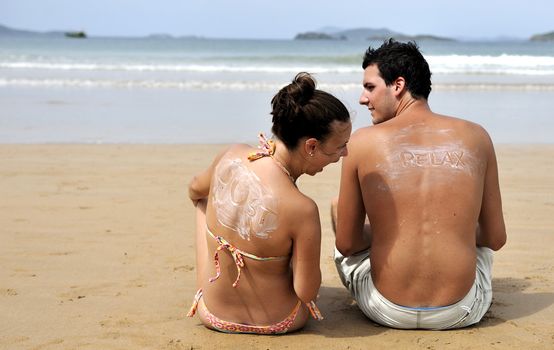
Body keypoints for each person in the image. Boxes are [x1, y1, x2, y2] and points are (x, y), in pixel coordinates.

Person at [331, 39, 506, 330]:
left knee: (339, 210)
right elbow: (495, 239)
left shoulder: (361, 141)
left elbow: (347, 244)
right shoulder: (477, 136)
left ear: (398, 85)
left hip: (386, 309)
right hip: (460, 310)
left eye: (370, 87)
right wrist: (452, 229)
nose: (362, 99)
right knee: (480, 244)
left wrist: (392, 233)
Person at [187, 72, 351, 334]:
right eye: (340, 146)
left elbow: (194, 189)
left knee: (203, 203)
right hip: (279, 321)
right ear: (310, 146)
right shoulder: (303, 208)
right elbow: (306, 291)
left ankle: (215, 285)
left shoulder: (231, 154)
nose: (345, 153)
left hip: (213, 314)